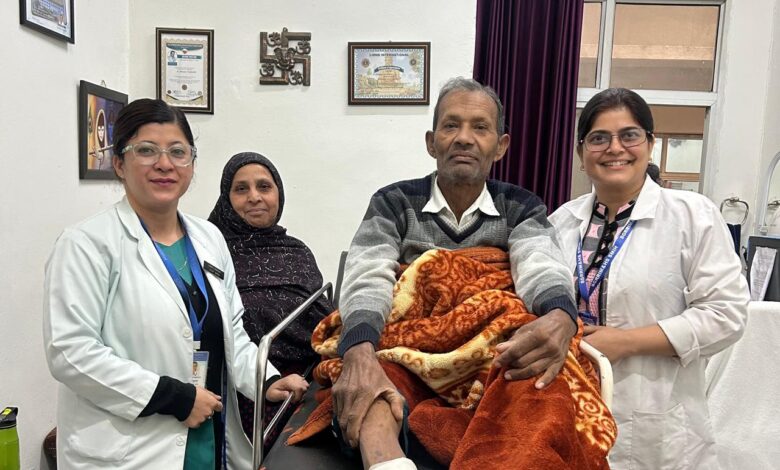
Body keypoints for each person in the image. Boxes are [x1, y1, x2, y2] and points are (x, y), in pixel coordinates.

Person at [43, 99, 307, 470]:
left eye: (178, 152)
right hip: (130, 448)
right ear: (118, 164)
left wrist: (265, 381)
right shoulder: (86, 244)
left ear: (191, 164)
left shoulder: (209, 238)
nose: (164, 164)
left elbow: (232, 332)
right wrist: (173, 397)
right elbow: (70, 351)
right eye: (146, 150)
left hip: (208, 435)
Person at [334, 77, 578, 468]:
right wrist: (359, 349)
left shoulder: (521, 206)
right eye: (451, 125)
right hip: (408, 348)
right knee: (373, 386)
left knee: (535, 380)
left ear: (501, 146)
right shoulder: (393, 201)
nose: (464, 138)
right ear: (432, 142)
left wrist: (561, 316)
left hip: (490, 356)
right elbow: (368, 273)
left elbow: (540, 263)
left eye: (480, 127)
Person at [549, 87, 749, 469]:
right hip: (569, 407)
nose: (615, 148)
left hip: (658, 422)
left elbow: (726, 315)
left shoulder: (693, 216)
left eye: (629, 135)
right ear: (580, 153)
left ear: (650, 144)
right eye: (598, 138)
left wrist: (626, 342)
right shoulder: (560, 222)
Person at [208, 151, 332, 439]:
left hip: (307, 379)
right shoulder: (211, 252)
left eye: (264, 187)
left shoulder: (297, 251)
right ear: (226, 199)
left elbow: (321, 317)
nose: (254, 197)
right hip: (238, 386)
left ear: (278, 194)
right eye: (241, 189)